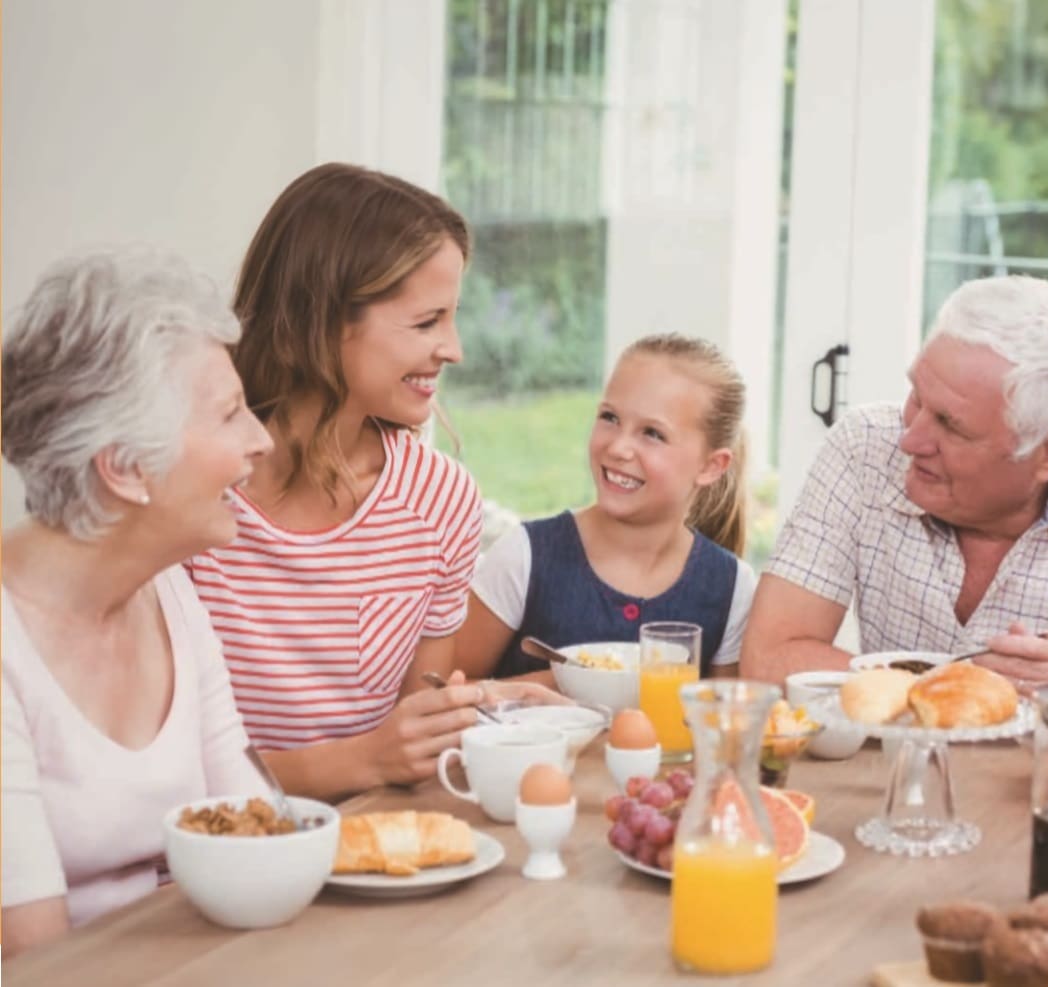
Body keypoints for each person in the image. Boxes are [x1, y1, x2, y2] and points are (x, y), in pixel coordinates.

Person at [186, 163, 557, 803]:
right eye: (426, 322)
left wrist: (481, 707)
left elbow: (409, 748)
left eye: (453, 317)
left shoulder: (440, 501)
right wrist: (363, 760)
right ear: (322, 319)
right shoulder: (192, 494)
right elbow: (165, 774)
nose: (454, 348)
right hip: (208, 866)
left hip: (370, 851)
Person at [741, 275, 1048, 689]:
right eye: (916, 397)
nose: (910, 438)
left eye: (951, 425)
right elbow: (770, 660)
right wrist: (962, 686)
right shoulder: (865, 447)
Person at [1, 249, 273, 954]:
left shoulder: (169, 590)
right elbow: (35, 960)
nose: (262, 440)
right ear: (124, 467)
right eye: (230, 414)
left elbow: (256, 838)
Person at [452, 334, 757, 682]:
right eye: (610, 417)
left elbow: (722, 722)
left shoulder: (732, 588)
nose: (619, 447)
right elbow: (440, 699)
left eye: (653, 434)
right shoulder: (524, 558)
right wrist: (553, 685)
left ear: (711, 466)